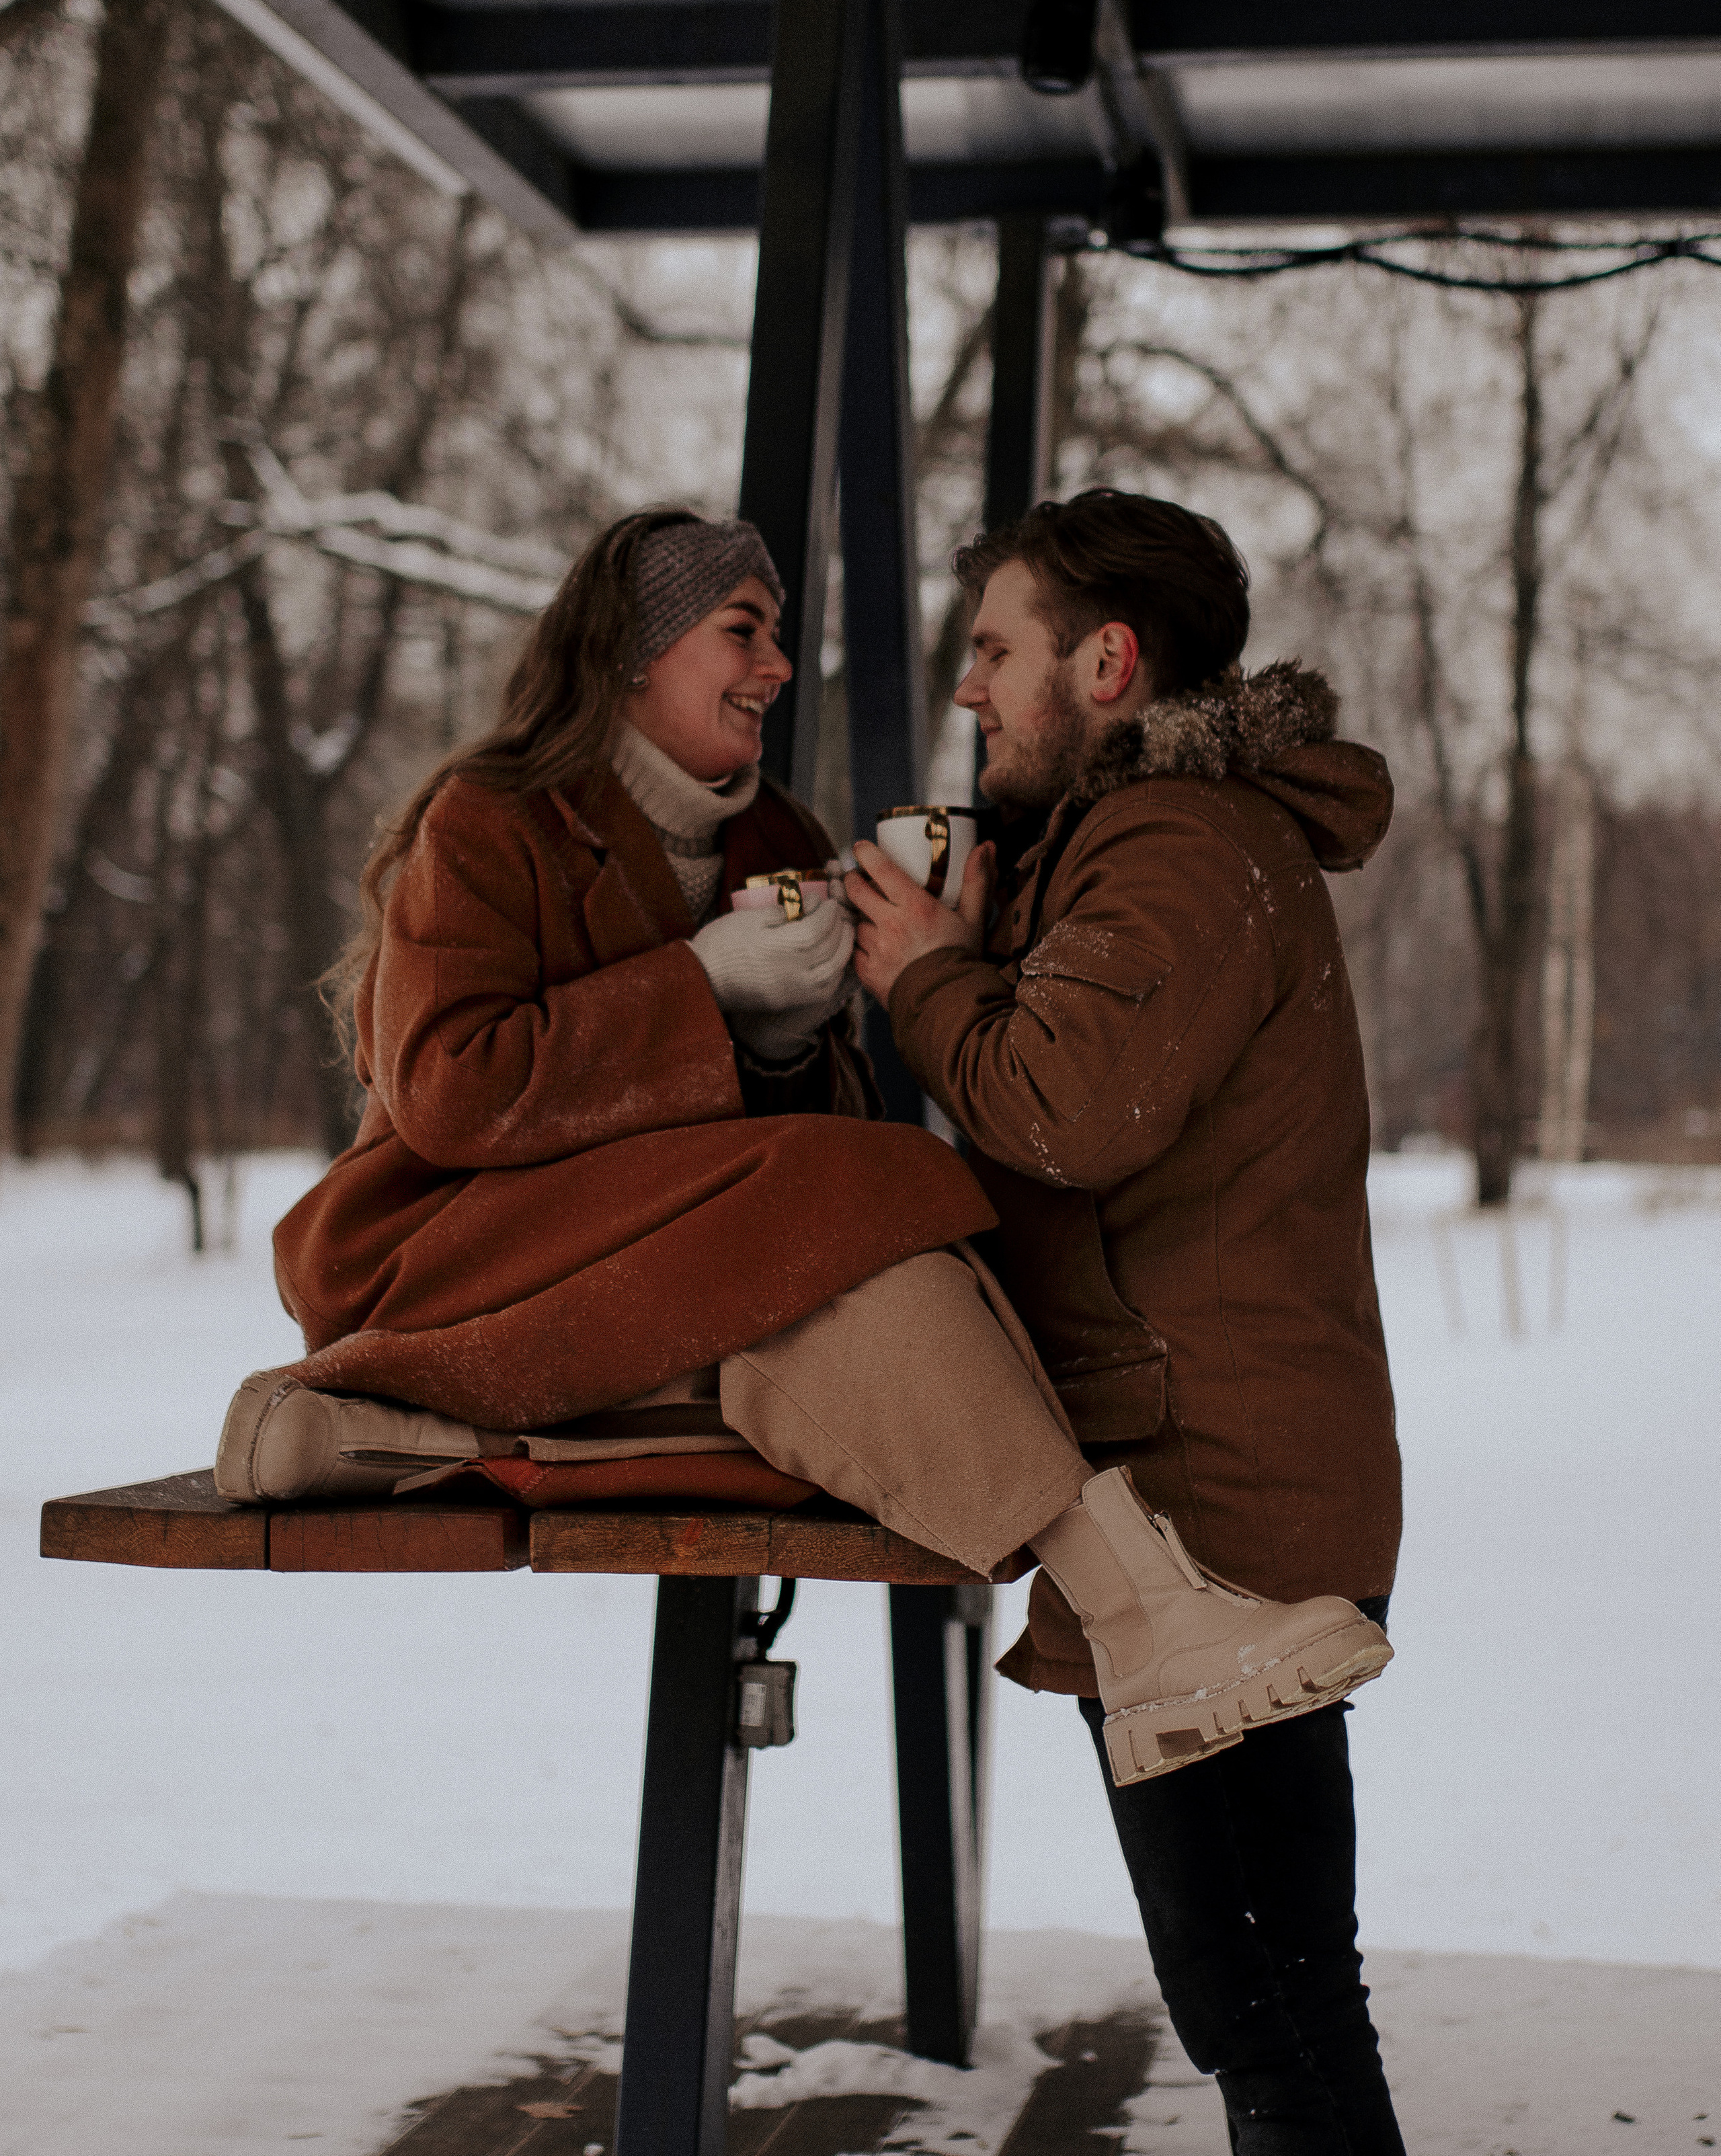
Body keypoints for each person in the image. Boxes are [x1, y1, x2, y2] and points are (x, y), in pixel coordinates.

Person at [215, 504, 1386, 1790]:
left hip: (661, 1279)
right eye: (744, 631)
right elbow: (448, 1090)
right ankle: (1147, 1612)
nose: (778, 666)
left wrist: (786, 1042)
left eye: (777, 635)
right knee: (863, 1203)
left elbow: (814, 1126)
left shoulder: (775, 841)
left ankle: (390, 1438)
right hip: (456, 1252)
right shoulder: (490, 822)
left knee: (846, 1274)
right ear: (634, 651)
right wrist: (698, 988)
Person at [844, 489, 1412, 2156]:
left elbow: (1065, 1111)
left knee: (1268, 2020)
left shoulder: (1175, 843)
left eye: (994, 651)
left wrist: (928, 977)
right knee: (1286, 2005)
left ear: (1104, 662)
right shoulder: (1155, 839)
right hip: (1210, 1480)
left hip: (1209, 1508)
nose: (968, 688)